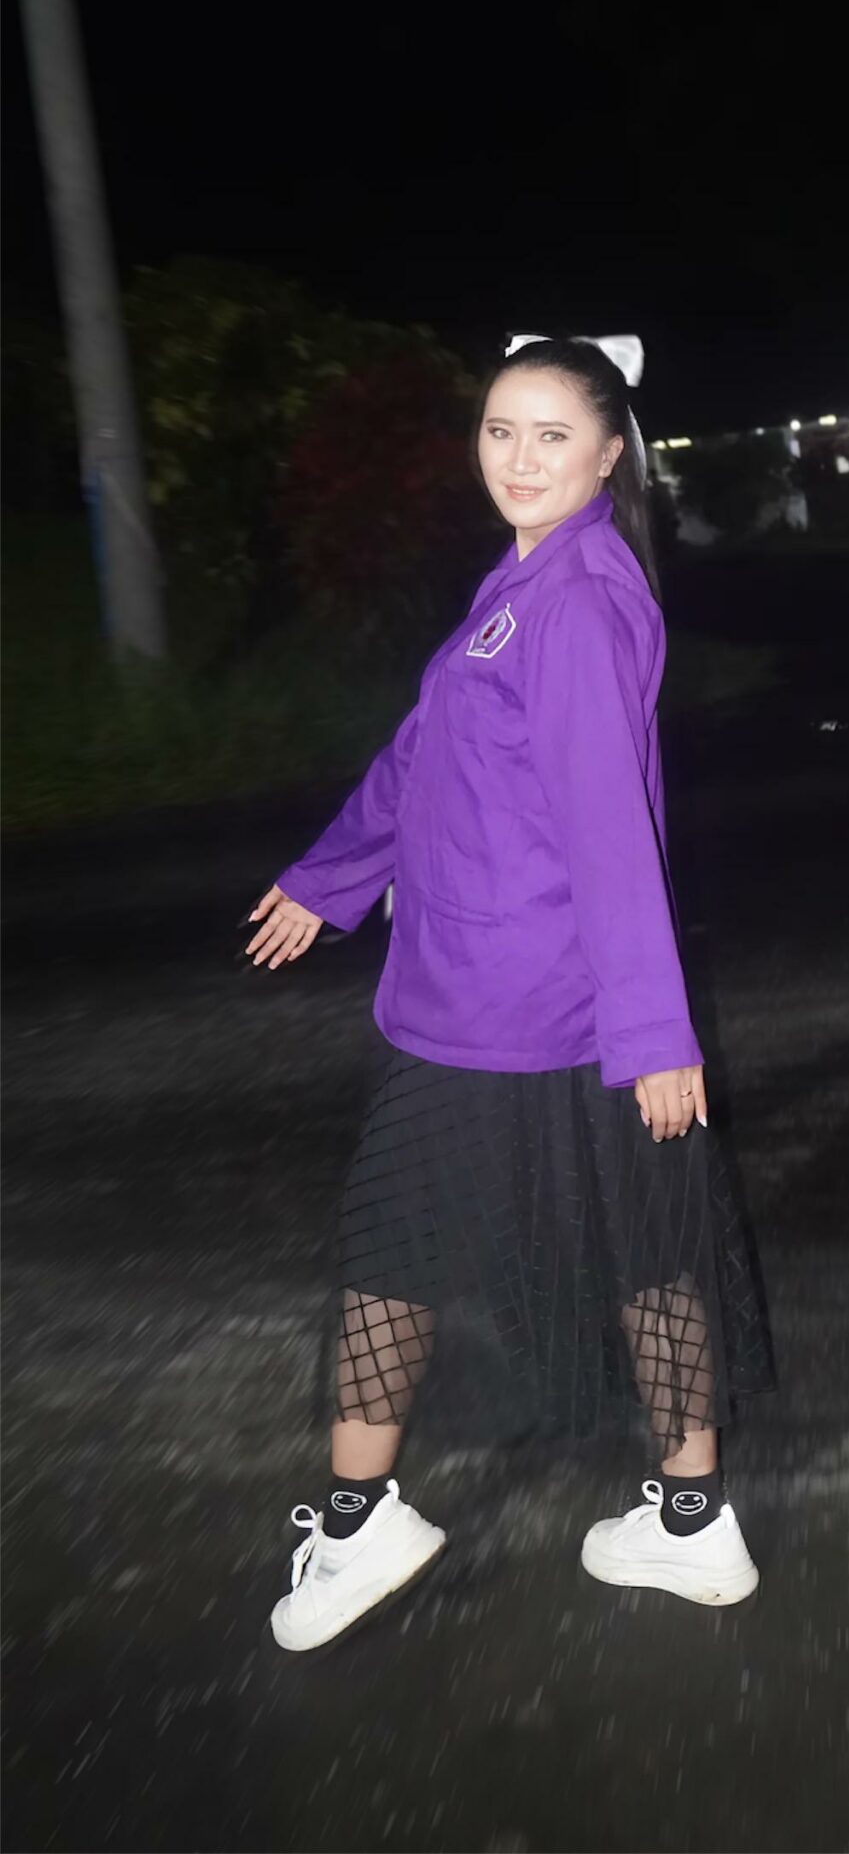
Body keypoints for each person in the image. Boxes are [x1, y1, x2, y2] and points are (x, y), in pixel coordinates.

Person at [250, 336, 771, 1651]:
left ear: (609, 454)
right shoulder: (525, 582)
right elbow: (420, 754)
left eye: (552, 434)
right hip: (506, 987)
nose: (519, 458)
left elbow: (610, 828)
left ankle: (360, 1525)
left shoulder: (577, 601)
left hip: (512, 1002)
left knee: (397, 1245)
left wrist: (653, 1029)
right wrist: (331, 875)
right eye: (499, 430)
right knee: (642, 1245)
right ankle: (692, 1520)